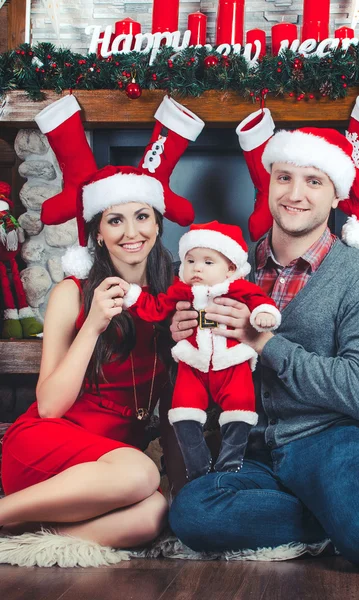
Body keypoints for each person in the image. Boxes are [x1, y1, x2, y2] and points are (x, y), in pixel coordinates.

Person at [168, 120, 359, 570]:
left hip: (338, 442)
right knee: (192, 513)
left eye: (314, 181)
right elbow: (216, 374)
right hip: (259, 451)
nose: (295, 193)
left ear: (336, 195)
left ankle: (354, 518)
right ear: (269, 183)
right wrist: (188, 336)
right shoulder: (232, 270)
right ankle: (335, 519)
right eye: (285, 177)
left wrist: (265, 342)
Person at [0, 94, 205, 551]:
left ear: (157, 223)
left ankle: (30, 539)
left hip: (113, 472)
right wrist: (91, 325)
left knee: (155, 512)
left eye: (141, 217)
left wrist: (187, 489)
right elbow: (50, 406)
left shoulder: (175, 298)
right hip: (47, 449)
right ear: (97, 231)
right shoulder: (71, 293)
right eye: (116, 220)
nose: (131, 232)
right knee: (139, 472)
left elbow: (173, 412)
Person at [122, 220, 281, 480]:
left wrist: (264, 314)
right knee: (183, 409)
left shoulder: (237, 288)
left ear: (230, 268)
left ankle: (230, 463)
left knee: (240, 408)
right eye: (191, 261)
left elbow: (259, 300)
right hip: (193, 364)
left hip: (232, 363)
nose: (197, 268)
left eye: (208, 262)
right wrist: (134, 296)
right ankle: (197, 464)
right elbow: (157, 307)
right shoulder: (181, 291)